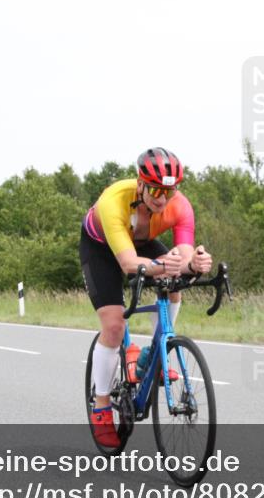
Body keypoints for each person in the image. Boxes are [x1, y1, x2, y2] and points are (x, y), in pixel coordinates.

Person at [81, 148, 213, 447]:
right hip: (101, 248)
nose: (162, 199)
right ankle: (101, 406)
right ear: (140, 184)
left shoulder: (181, 206)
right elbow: (129, 264)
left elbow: (184, 256)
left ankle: (153, 355)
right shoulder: (114, 200)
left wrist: (195, 264)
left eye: (169, 191)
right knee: (114, 325)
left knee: (174, 283)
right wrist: (165, 265)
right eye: (155, 190)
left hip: (141, 242)